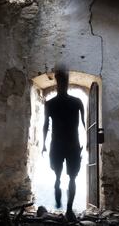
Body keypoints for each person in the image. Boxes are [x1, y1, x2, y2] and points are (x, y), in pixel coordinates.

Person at [42, 65, 85, 221]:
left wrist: (88, 143)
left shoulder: (77, 102)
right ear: (57, 82)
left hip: (72, 144)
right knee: (58, 174)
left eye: (64, 80)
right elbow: (45, 125)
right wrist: (44, 144)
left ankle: (69, 209)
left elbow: (85, 124)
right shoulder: (50, 104)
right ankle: (57, 184)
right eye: (61, 80)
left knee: (72, 178)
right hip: (59, 144)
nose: (63, 83)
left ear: (67, 82)